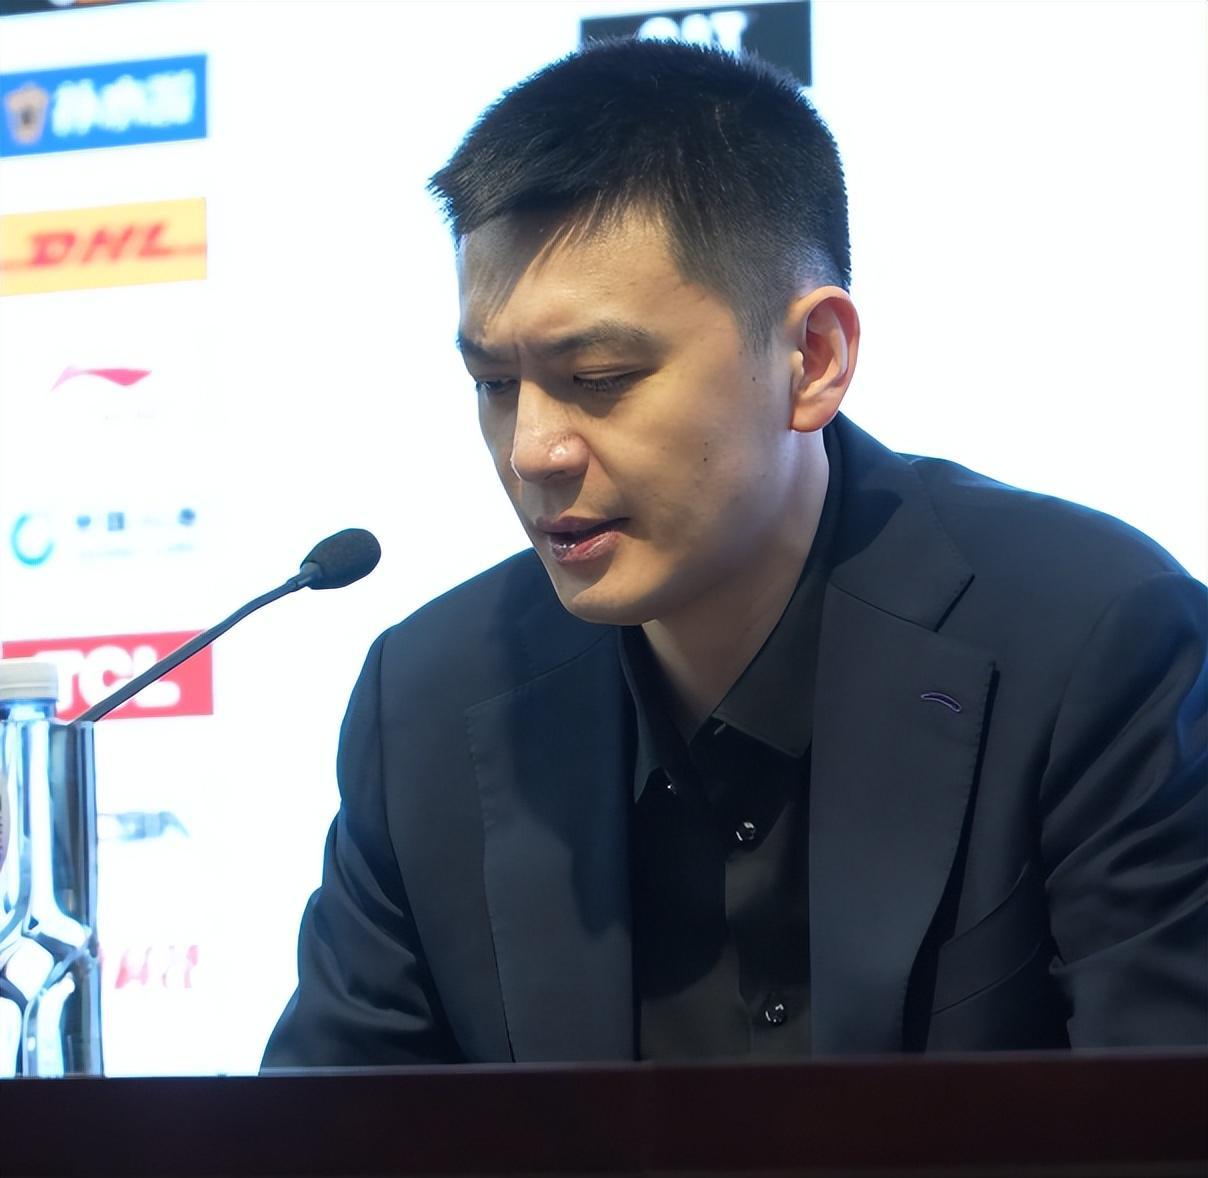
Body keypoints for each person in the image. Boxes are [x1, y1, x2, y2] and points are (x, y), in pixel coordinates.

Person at [262, 39, 1207, 1066]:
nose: (532, 449)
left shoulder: (1092, 642)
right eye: (494, 383)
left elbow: (1162, 1116)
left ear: (812, 359)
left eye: (599, 375)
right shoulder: (425, 702)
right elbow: (329, 1127)